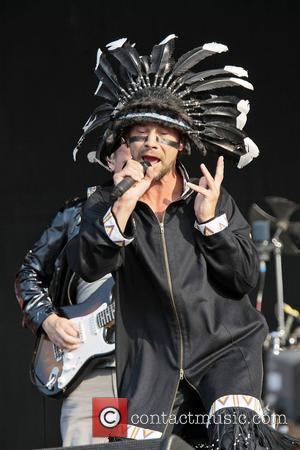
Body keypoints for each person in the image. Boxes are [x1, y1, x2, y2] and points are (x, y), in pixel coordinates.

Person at [67, 35, 300, 448]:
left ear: (181, 145)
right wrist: (123, 203)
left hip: (225, 350)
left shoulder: (206, 197)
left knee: (238, 439)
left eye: (163, 134)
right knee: (129, 445)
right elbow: (87, 264)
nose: (151, 142)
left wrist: (212, 223)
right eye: (141, 133)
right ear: (127, 143)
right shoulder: (106, 201)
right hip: (150, 365)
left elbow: (243, 278)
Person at [15, 144, 131, 446]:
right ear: (110, 159)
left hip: (158, 370)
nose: (144, 145)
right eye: (131, 139)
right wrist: (48, 320)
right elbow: (30, 273)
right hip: (97, 370)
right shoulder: (80, 210)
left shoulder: (174, 213)